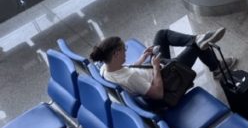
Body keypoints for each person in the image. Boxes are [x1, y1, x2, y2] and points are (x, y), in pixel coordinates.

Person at [90, 28, 235, 101]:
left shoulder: (105, 68)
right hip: (168, 81)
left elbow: (127, 69)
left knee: (162, 35)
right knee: (196, 46)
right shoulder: (129, 78)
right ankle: (215, 65)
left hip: (157, 70)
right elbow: (158, 94)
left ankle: (200, 40)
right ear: (115, 54)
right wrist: (155, 68)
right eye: (123, 50)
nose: (125, 52)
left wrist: (142, 58)